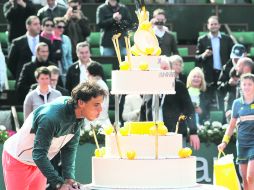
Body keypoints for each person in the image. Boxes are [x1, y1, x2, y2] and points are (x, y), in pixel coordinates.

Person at [2, 81, 106, 190]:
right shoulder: (50, 117)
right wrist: (59, 184)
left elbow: (69, 148)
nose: (100, 110)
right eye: (96, 104)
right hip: (17, 159)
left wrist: (69, 178)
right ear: (81, 103)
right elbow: (38, 154)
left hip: (39, 163)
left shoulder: (78, 114)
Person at [140, 56, 200, 150]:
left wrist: (193, 132)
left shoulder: (179, 86)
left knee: (176, 164)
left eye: (165, 68)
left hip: (175, 136)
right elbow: (143, 113)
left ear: (171, 70)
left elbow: (189, 110)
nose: (162, 71)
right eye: (159, 68)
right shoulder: (149, 88)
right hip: (152, 138)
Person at [218, 73, 254, 190]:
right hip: (242, 145)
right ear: (241, 86)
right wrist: (224, 142)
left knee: (250, 176)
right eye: (244, 84)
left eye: (250, 84)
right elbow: (231, 126)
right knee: (245, 181)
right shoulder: (236, 103)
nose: (247, 87)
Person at [195, 15, 234, 110]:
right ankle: (206, 121)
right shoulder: (202, 40)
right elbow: (197, 58)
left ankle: (224, 121)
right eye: (211, 24)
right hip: (209, 74)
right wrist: (204, 55)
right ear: (208, 26)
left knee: (223, 98)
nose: (213, 26)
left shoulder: (227, 39)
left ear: (219, 25)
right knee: (207, 99)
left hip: (223, 73)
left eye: (215, 24)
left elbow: (232, 56)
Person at [8, 15, 52, 81]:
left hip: (43, 79)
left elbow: (51, 59)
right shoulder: (17, 43)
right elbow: (11, 63)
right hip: (23, 80)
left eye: (39, 24)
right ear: (28, 26)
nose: (38, 26)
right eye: (35, 24)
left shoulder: (46, 42)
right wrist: (19, 74)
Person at [87, 62, 111, 127]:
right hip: (100, 121)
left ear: (90, 73)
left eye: (87, 72)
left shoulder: (97, 85)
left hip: (98, 123)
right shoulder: (102, 83)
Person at [53, 17, 73, 85]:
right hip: (53, 67)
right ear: (54, 27)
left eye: (63, 27)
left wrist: (70, 70)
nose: (62, 29)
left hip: (64, 69)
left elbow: (69, 56)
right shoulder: (49, 37)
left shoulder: (66, 39)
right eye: (59, 27)